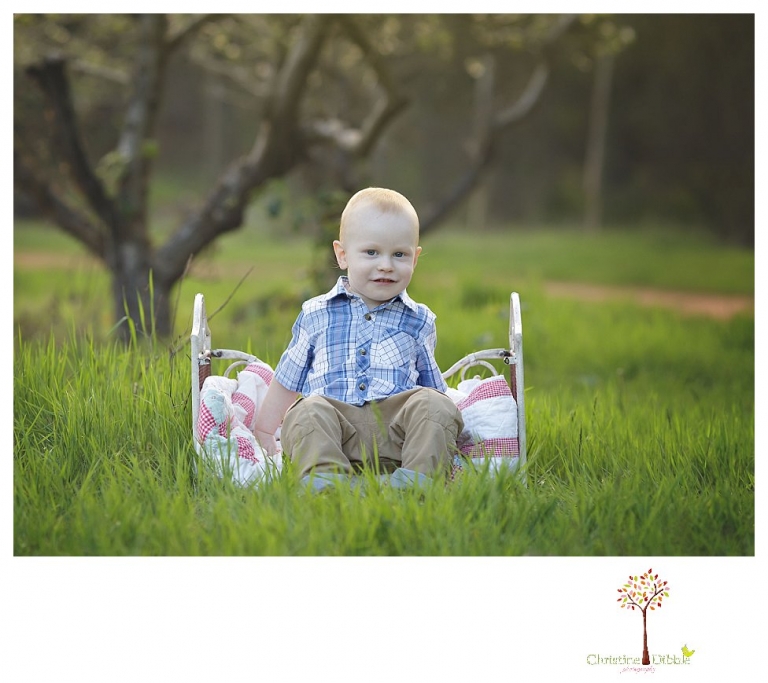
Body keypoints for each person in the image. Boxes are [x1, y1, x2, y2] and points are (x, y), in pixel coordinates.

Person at [253, 187, 463, 492]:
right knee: (308, 411)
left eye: (399, 254)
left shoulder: (419, 319)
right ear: (342, 255)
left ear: (415, 259)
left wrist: (441, 420)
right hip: (334, 428)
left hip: (396, 432)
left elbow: (433, 388)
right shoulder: (316, 313)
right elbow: (288, 377)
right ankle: (327, 483)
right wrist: (263, 430)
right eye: (372, 252)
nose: (386, 265)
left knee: (437, 406)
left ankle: (415, 485)